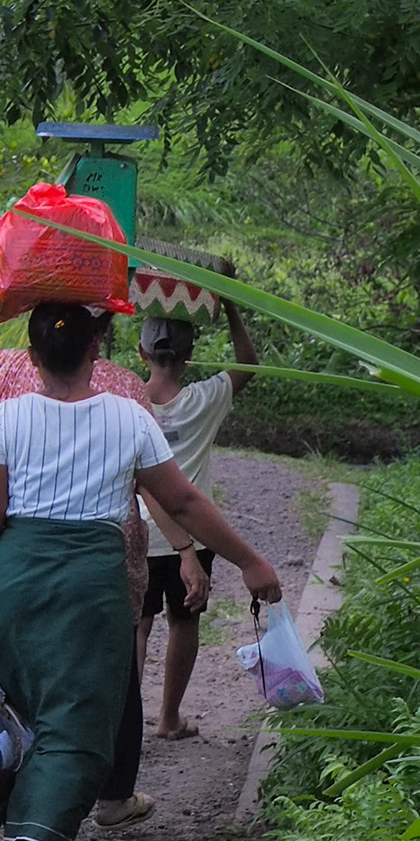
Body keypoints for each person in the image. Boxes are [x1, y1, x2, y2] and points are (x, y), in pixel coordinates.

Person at [0, 301, 282, 841]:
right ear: (98, 346)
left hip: (12, 579)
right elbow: (180, 500)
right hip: (88, 582)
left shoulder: (6, 417)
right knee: (77, 724)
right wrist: (249, 560)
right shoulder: (128, 418)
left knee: (19, 712)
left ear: (31, 353)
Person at [0, 306, 201, 831]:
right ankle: (104, 798)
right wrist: (184, 548)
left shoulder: (7, 381)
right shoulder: (127, 395)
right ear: (100, 339)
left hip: (13, 568)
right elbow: (157, 487)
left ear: (32, 347)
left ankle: (20, 826)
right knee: (103, 687)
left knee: (19, 695)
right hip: (105, 565)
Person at [138, 293, 260, 739]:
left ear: (142, 353)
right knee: (183, 621)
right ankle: (169, 719)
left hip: (137, 533)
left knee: (137, 625)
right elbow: (248, 363)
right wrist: (230, 304)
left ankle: (126, 723)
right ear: (190, 356)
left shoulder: (128, 402)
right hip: (194, 535)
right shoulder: (205, 399)